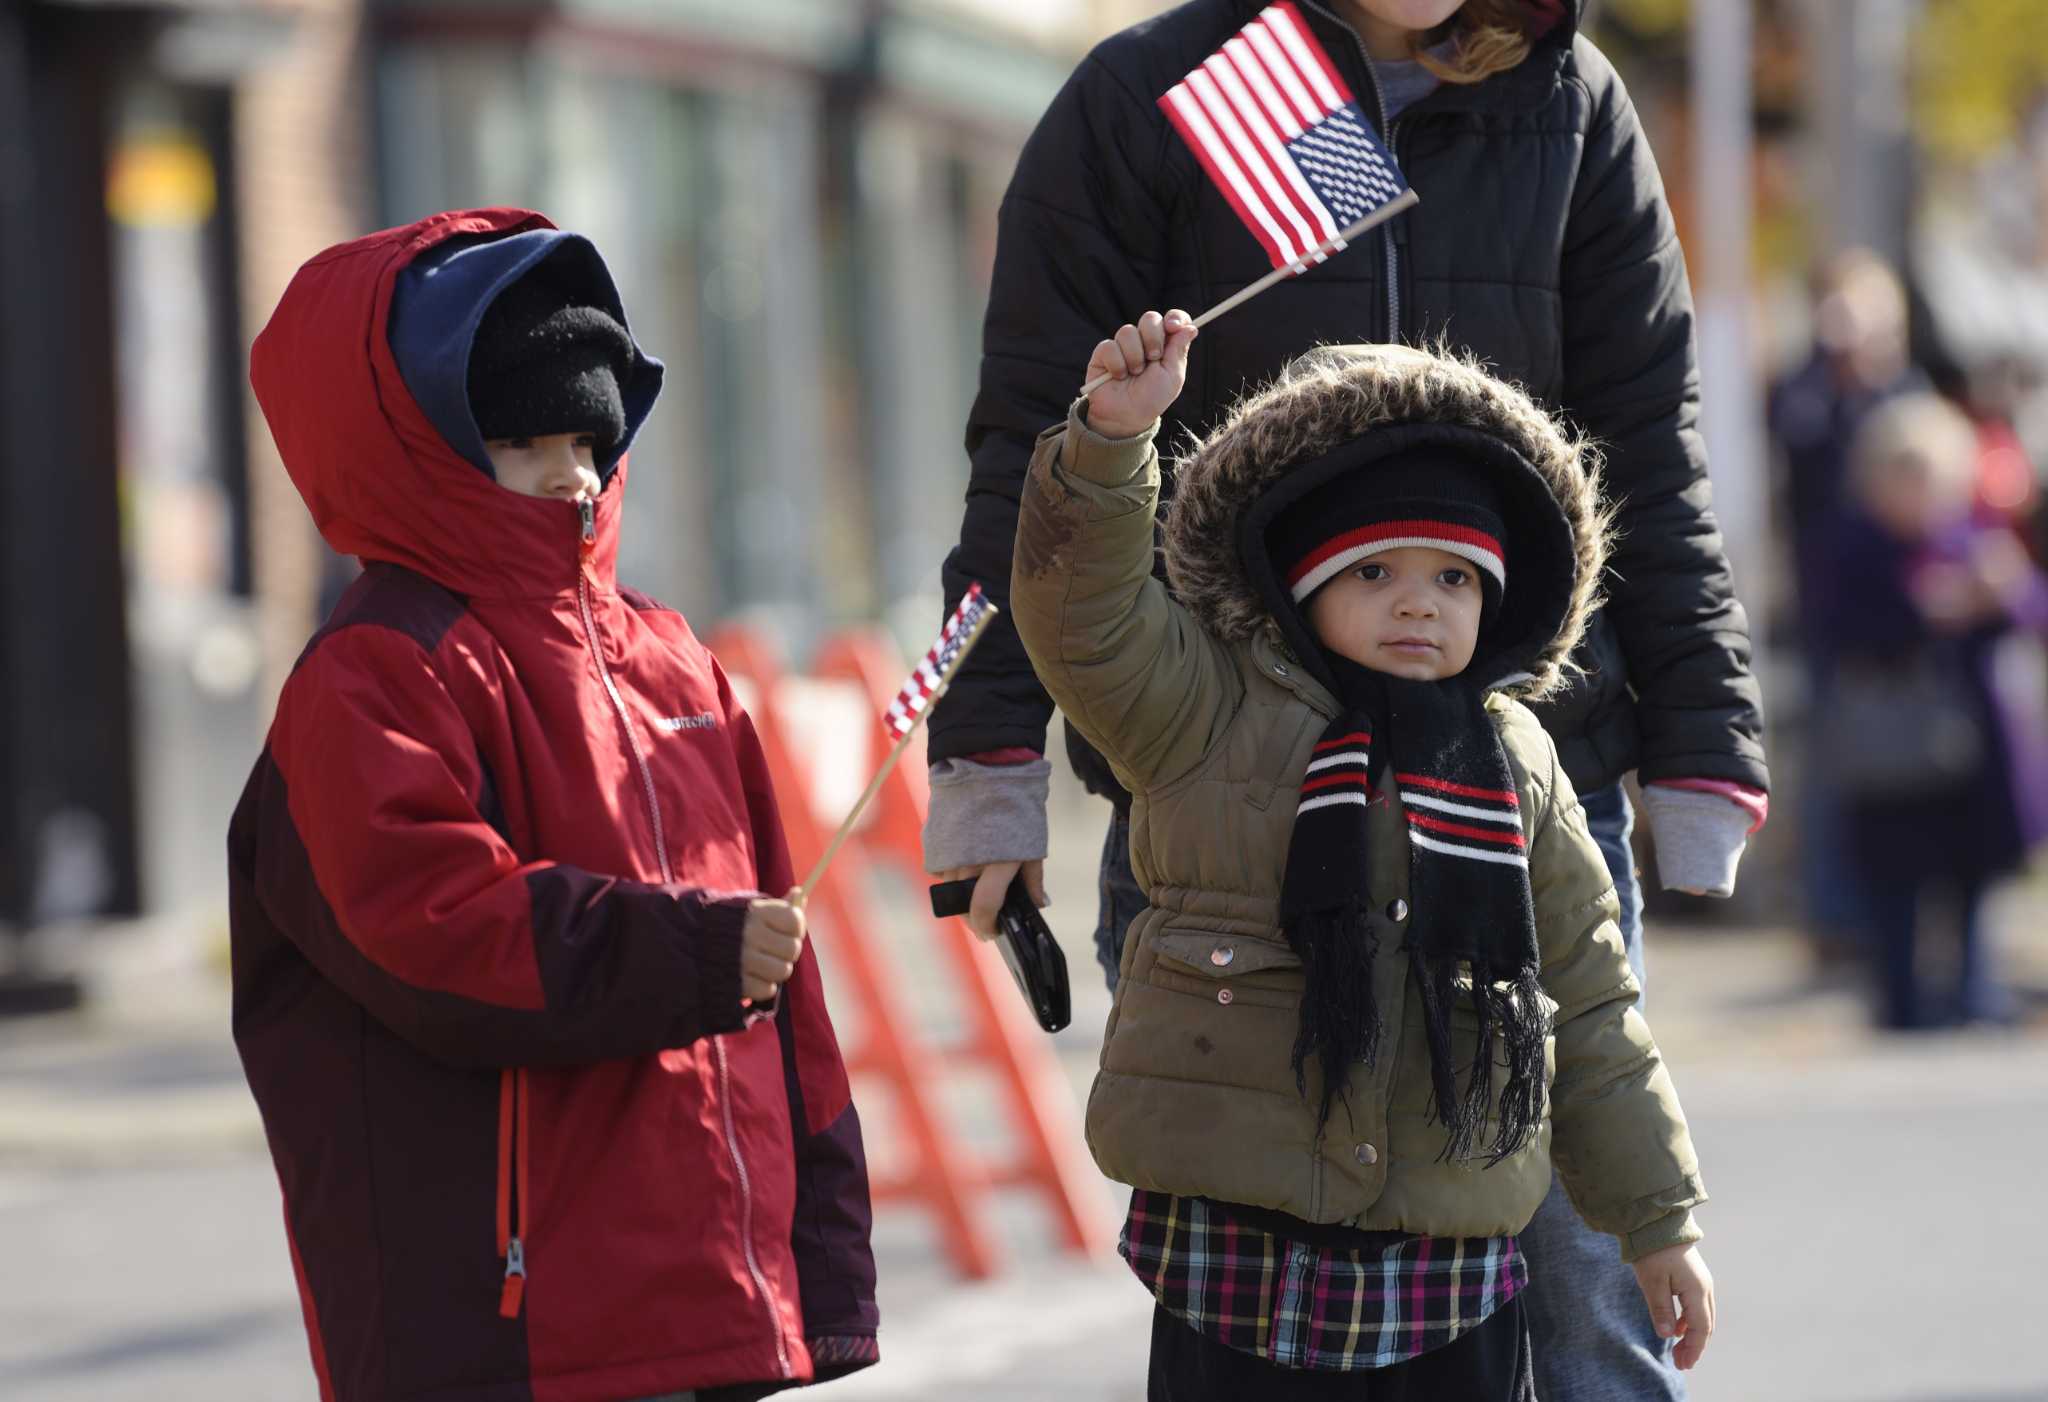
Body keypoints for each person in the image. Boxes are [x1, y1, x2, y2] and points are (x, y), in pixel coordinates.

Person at [927, 3, 1764, 1396]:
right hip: (1217, 788)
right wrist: (990, 754)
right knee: (1245, 1308)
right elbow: (1033, 445)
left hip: (1515, 785)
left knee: (1582, 1305)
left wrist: (1703, 729)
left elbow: (1650, 450)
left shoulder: (1575, 109)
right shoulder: (1157, 93)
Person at [228, 208, 879, 1402]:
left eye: (589, 434)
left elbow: (785, 993)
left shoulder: (673, 659)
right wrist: (693, 951)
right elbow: (440, 930)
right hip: (508, 1327)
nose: (572, 470)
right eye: (526, 439)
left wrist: (821, 1259)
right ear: (422, 449)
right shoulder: (375, 672)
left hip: (708, 1296)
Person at [1011, 313, 1712, 1399]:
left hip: (1446, 1260)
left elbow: (1587, 1000)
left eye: (1454, 579)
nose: (1417, 605)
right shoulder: (1200, 706)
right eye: (1375, 570)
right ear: (1297, 577)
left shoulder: (1513, 756)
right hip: (1232, 1252)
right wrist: (1109, 442)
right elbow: (1081, 619)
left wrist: (1655, 1219)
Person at [1816, 392, 2048, 1030]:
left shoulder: (1977, 538)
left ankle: (1974, 993)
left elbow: (2033, 615)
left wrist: (2004, 593)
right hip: (1892, 748)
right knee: (1894, 884)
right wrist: (1921, 613)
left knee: (1971, 878)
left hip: (1972, 742)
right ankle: (1903, 1002)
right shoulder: (1855, 545)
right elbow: (1836, 631)